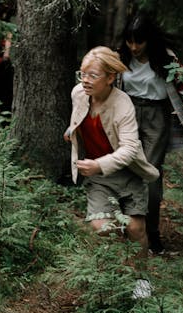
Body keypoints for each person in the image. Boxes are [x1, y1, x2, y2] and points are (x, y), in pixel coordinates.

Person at [64, 46, 160, 294]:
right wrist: (72, 133)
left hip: (127, 172)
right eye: (82, 74)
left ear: (110, 77)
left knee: (135, 227)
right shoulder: (78, 93)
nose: (85, 80)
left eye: (93, 75)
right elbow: (78, 118)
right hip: (98, 177)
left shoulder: (122, 103)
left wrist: (100, 164)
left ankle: (141, 279)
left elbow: (129, 148)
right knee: (101, 227)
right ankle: (116, 277)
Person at [118, 13, 183, 254]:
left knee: (150, 173)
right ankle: (128, 229)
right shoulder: (121, 57)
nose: (134, 47)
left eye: (139, 42)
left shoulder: (164, 58)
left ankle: (152, 235)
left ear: (150, 40)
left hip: (157, 117)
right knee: (125, 168)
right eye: (130, 41)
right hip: (127, 113)